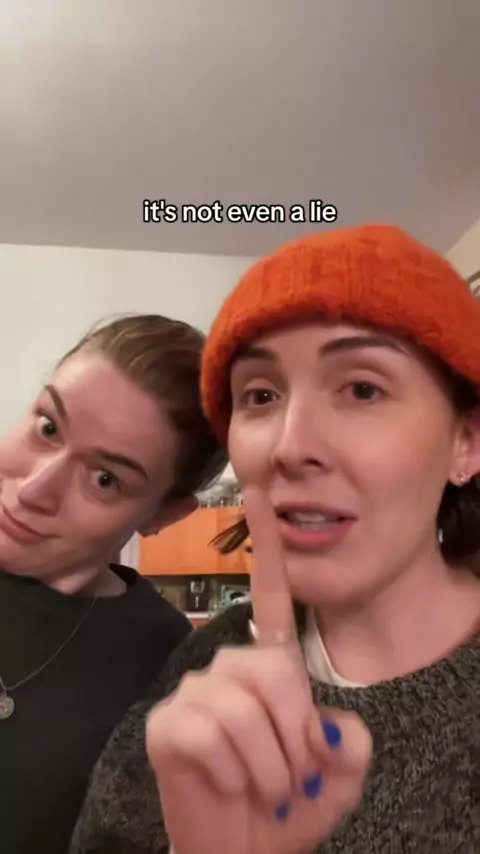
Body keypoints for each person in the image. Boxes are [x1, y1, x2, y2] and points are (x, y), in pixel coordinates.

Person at [71, 225, 480, 854]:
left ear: (466, 443)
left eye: (362, 389)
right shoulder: (205, 666)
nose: (290, 446)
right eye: (260, 395)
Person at [0, 314, 227, 854]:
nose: (34, 490)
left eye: (105, 479)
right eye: (48, 428)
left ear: (164, 514)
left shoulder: (171, 663)